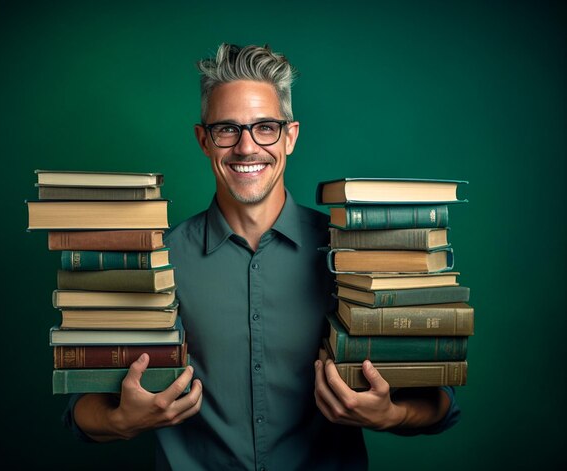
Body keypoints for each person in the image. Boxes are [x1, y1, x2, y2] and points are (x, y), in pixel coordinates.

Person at [63, 43, 460, 470]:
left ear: (290, 136)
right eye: (227, 129)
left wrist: (393, 415)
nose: (247, 148)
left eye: (265, 127)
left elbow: (441, 402)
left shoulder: (358, 255)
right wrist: (121, 420)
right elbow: (82, 410)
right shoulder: (154, 260)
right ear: (203, 140)